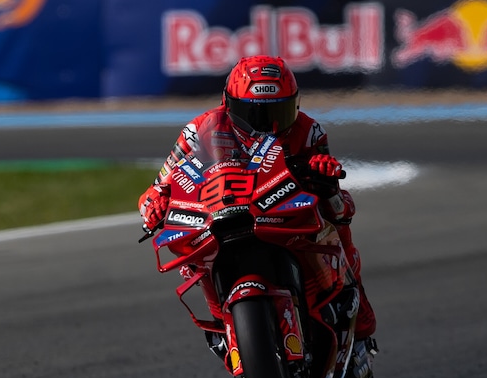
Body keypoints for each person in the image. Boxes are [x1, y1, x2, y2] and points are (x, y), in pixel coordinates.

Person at [139, 54, 377, 351]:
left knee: (338, 209)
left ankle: (353, 292)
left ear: (295, 104)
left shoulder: (308, 130)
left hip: (284, 210)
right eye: (254, 115)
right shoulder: (199, 131)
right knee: (190, 258)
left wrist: (323, 175)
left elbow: (329, 179)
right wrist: (154, 208)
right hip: (225, 211)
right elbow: (157, 189)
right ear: (229, 105)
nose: (268, 126)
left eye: (280, 112)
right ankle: (220, 319)